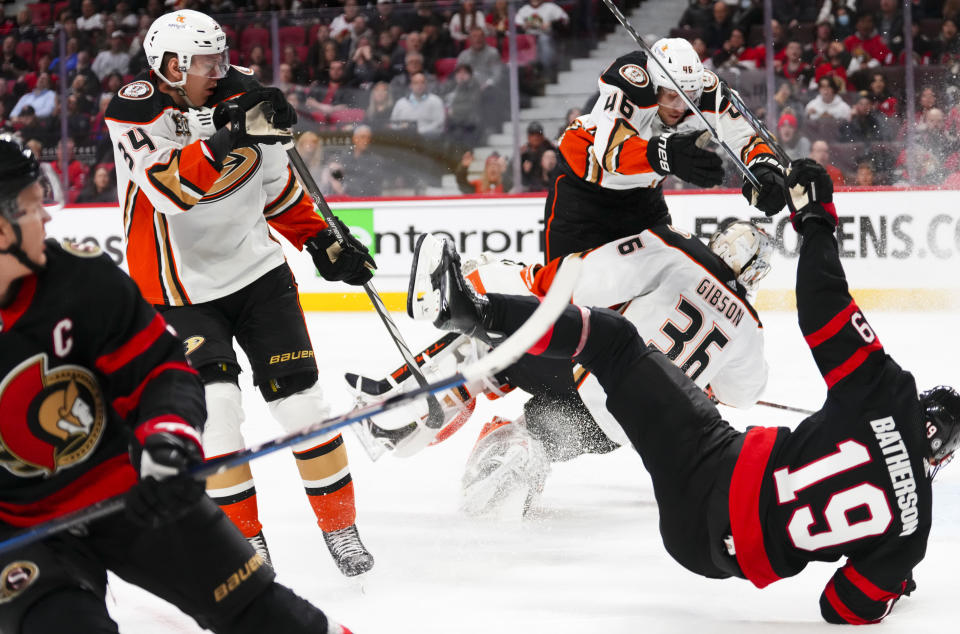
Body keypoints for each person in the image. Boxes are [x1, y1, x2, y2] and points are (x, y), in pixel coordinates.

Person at [408, 159, 960, 624]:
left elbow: (822, 308)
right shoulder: (916, 527)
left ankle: (474, 314)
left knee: (613, 341)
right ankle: (529, 452)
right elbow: (843, 608)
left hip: (708, 459)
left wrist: (815, 219)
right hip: (708, 552)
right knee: (574, 425)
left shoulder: (887, 396)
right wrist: (896, 579)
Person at [0, 138, 353, 633]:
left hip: (137, 493)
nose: (50, 220)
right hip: (21, 529)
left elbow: (161, 371)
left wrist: (167, 441)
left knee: (271, 618)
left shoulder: (79, 282)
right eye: (37, 208)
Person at [104, 10, 376, 577]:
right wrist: (229, 134)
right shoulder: (134, 109)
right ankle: (246, 545)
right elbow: (169, 192)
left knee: (304, 407)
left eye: (221, 56)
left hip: (258, 277)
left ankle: (342, 530)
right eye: (205, 61)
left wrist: (322, 241)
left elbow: (276, 188)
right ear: (171, 67)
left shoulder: (246, 92)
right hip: (180, 291)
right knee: (221, 414)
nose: (218, 68)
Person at [350, 219, 773, 514]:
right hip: (619, 426)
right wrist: (707, 383)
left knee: (489, 314)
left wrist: (533, 279)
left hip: (579, 370)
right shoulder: (748, 327)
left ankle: (401, 414)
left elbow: (591, 279)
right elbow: (742, 394)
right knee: (539, 433)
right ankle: (515, 461)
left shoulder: (678, 250)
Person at [546, 37, 786, 262]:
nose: (680, 106)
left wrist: (763, 167)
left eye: (689, 96)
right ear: (656, 84)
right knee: (564, 297)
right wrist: (666, 153)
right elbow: (611, 153)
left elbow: (748, 136)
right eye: (671, 95)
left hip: (642, 199)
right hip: (581, 195)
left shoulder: (708, 92)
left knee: (664, 290)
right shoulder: (630, 82)